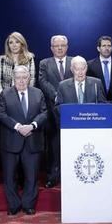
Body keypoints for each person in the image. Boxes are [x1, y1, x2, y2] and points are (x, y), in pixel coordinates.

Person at [0, 65, 47, 215]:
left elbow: (44, 113)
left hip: (32, 141)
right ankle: (13, 205)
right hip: (11, 141)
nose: (21, 80)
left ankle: (28, 204)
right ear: (13, 78)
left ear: (28, 78)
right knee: (9, 176)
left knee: (31, 176)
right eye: (18, 77)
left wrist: (32, 126)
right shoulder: (5, 94)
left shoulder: (38, 93)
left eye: (24, 77)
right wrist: (18, 126)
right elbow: (2, 114)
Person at [86, 36, 112, 185]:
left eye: (109, 45)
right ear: (98, 48)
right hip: (99, 112)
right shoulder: (90, 65)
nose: (107, 48)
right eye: (104, 46)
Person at [38, 35, 72, 188]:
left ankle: (71, 174)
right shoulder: (44, 63)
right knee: (52, 145)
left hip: (71, 110)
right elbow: (43, 81)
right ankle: (53, 175)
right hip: (51, 110)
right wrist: (57, 95)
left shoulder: (75, 62)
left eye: (62, 45)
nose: (59, 48)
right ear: (51, 48)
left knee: (71, 142)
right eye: (56, 45)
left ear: (67, 46)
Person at [0, 31, 36, 96]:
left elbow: (32, 79)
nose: (14, 45)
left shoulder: (29, 58)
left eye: (17, 42)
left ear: (22, 44)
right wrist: (2, 95)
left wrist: (27, 95)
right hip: (6, 96)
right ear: (8, 45)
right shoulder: (3, 59)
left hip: (24, 95)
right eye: (11, 43)